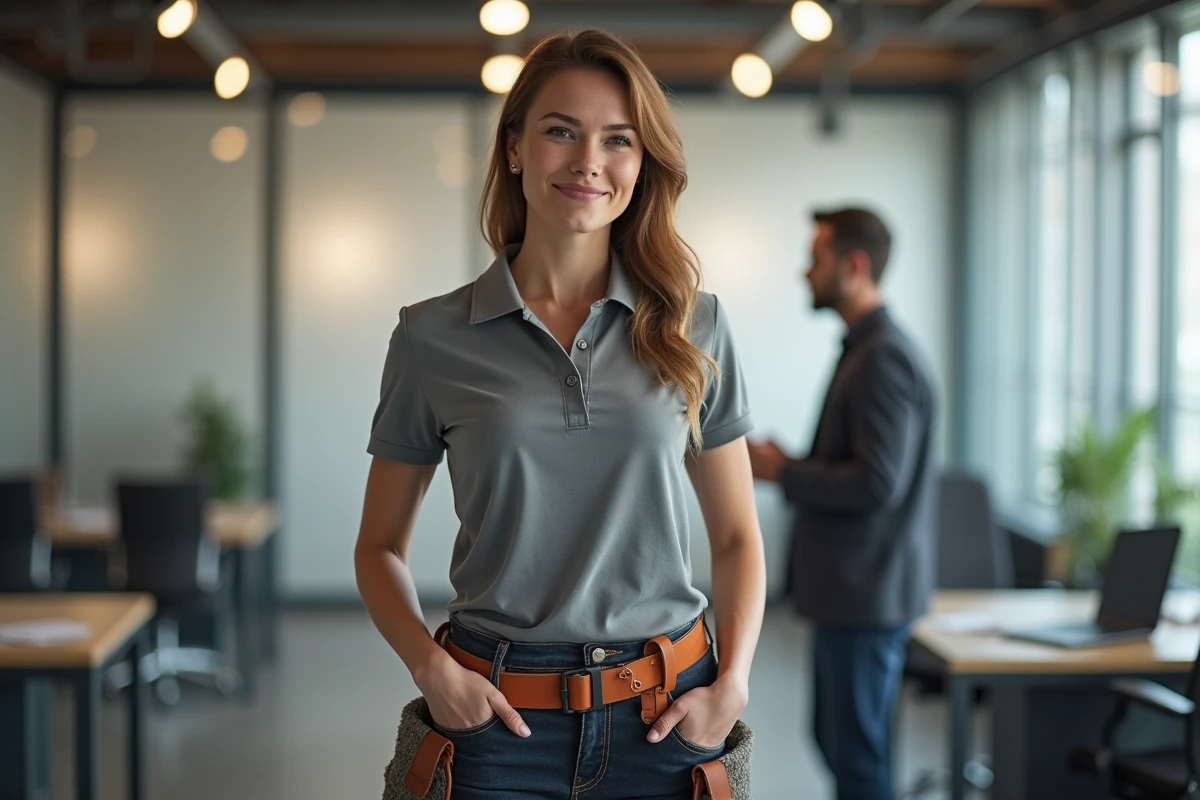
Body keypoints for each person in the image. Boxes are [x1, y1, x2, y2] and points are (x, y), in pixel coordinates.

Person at [354, 29, 766, 799]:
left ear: (642, 165)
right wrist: (429, 667)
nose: (589, 163)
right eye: (560, 132)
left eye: (618, 140)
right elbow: (378, 547)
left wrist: (733, 683)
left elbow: (739, 536)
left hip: (669, 716)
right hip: (494, 723)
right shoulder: (430, 336)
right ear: (514, 148)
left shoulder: (694, 325)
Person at [746, 208, 936, 800]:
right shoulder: (867, 348)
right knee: (841, 745)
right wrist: (793, 466)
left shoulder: (883, 356)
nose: (807, 273)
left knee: (857, 758)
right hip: (853, 594)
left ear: (854, 266)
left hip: (866, 594)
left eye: (817, 258)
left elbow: (877, 483)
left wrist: (784, 472)